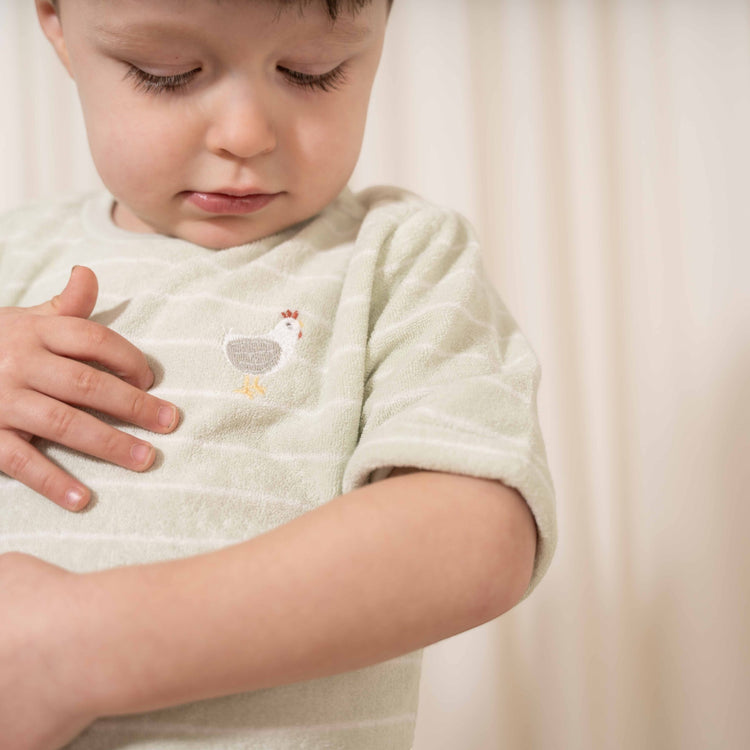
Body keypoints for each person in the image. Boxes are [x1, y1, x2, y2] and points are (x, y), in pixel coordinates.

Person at [0, 0, 557, 748]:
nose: (245, 135)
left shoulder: (397, 259)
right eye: (166, 75)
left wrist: (78, 650)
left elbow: (479, 538)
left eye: (310, 72)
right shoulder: (12, 256)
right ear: (57, 26)